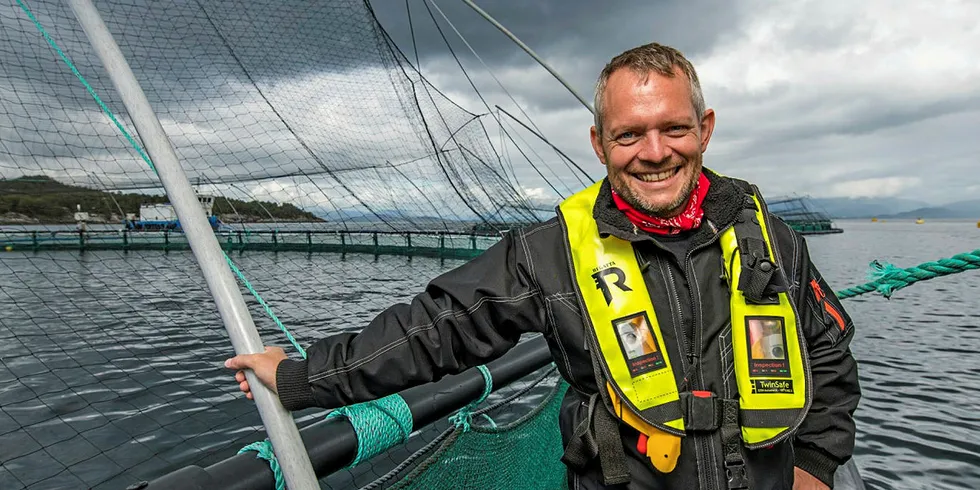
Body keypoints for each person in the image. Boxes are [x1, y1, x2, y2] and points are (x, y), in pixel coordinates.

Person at [226, 42, 860, 490]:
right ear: (598, 143)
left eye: (674, 128)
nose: (655, 153)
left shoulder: (769, 236)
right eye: (629, 134)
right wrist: (302, 379)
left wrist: (817, 465)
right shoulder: (548, 251)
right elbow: (433, 330)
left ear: (706, 128)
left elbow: (828, 351)